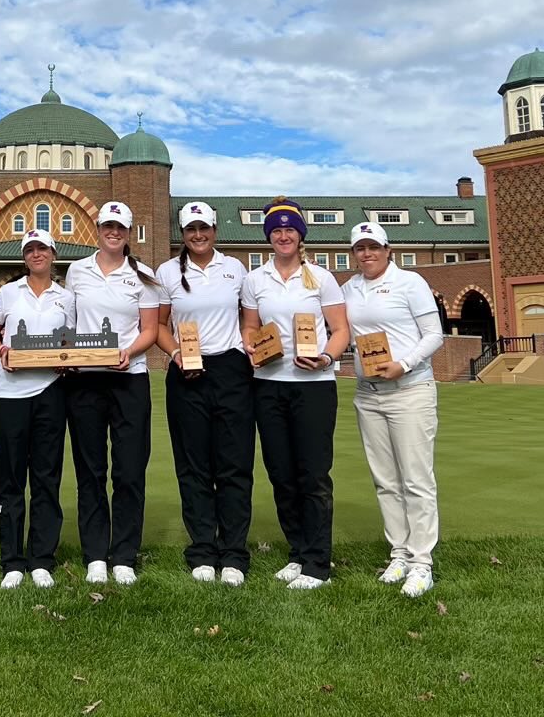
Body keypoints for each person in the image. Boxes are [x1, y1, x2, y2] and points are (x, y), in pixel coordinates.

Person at [240, 197, 349, 591]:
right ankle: (298, 552)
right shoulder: (256, 279)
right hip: (269, 386)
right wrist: (252, 347)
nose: (283, 235)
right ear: (269, 236)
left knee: (314, 475)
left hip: (314, 388)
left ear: (300, 235)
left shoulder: (321, 278)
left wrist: (325, 358)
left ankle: (318, 563)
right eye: (277, 230)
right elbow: (250, 328)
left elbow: (340, 331)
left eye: (290, 230)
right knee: (282, 474)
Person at [344, 222, 444, 598]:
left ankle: (422, 563)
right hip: (368, 393)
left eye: (373, 247)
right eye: (360, 248)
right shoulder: (349, 288)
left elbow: (435, 334)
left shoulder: (410, 282)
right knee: (385, 480)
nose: (366, 254)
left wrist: (404, 363)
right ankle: (399, 553)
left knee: (416, 480)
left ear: (388, 250)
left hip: (410, 389)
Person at [155, 202, 254, 586]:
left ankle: (233, 552)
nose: (198, 235)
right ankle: (201, 550)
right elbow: (161, 325)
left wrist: (257, 349)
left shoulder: (234, 269)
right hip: (186, 374)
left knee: (233, 464)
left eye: (204, 228)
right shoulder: (166, 272)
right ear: (183, 233)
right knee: (193, 465)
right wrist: (176, 352)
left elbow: (248, 322)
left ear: (215, 229)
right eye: (191, 229)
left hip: (230, 370)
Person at [64, 201, 159, 586]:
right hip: (85, 380)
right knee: (90, 470)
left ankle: (124, 554)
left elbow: (150, 329)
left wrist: (129, 352)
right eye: (108, 225)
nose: (113, 232)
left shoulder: (143, 274)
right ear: (98, 228)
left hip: (129, 376)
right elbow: (68, 324)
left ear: (128, 230)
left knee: (130, 469)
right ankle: (95, 556)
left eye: (120, 226)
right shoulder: (76, 271)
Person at [0, 229, 73, 590]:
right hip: (8, 396)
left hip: (50, 392)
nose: (37, 255)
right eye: (30, 250)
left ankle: (41, 560)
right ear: (24, 257)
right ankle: (12, 562)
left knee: (46, 478)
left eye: (43, 249)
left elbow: (69, 339)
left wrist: (66, 359)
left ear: (53, 254)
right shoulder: (8, 292)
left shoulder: (66, 297)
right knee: (10, 479)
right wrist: (1, 350)